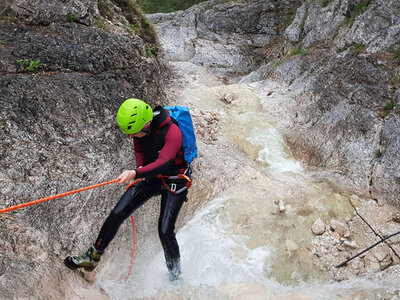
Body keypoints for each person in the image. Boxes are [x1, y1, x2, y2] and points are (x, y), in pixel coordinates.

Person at [64, 98, 191, 281]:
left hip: (175, 181)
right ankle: (92, 257)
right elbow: (139, 150)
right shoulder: (139, 131)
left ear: (146, 125)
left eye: (134, 133)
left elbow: (164, 163)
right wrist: (139, 172)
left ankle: (175, 277)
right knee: (118, 212)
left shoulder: (173, 132)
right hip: (151, 176)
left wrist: (135, 173)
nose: (131, 137)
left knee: (165, 230)